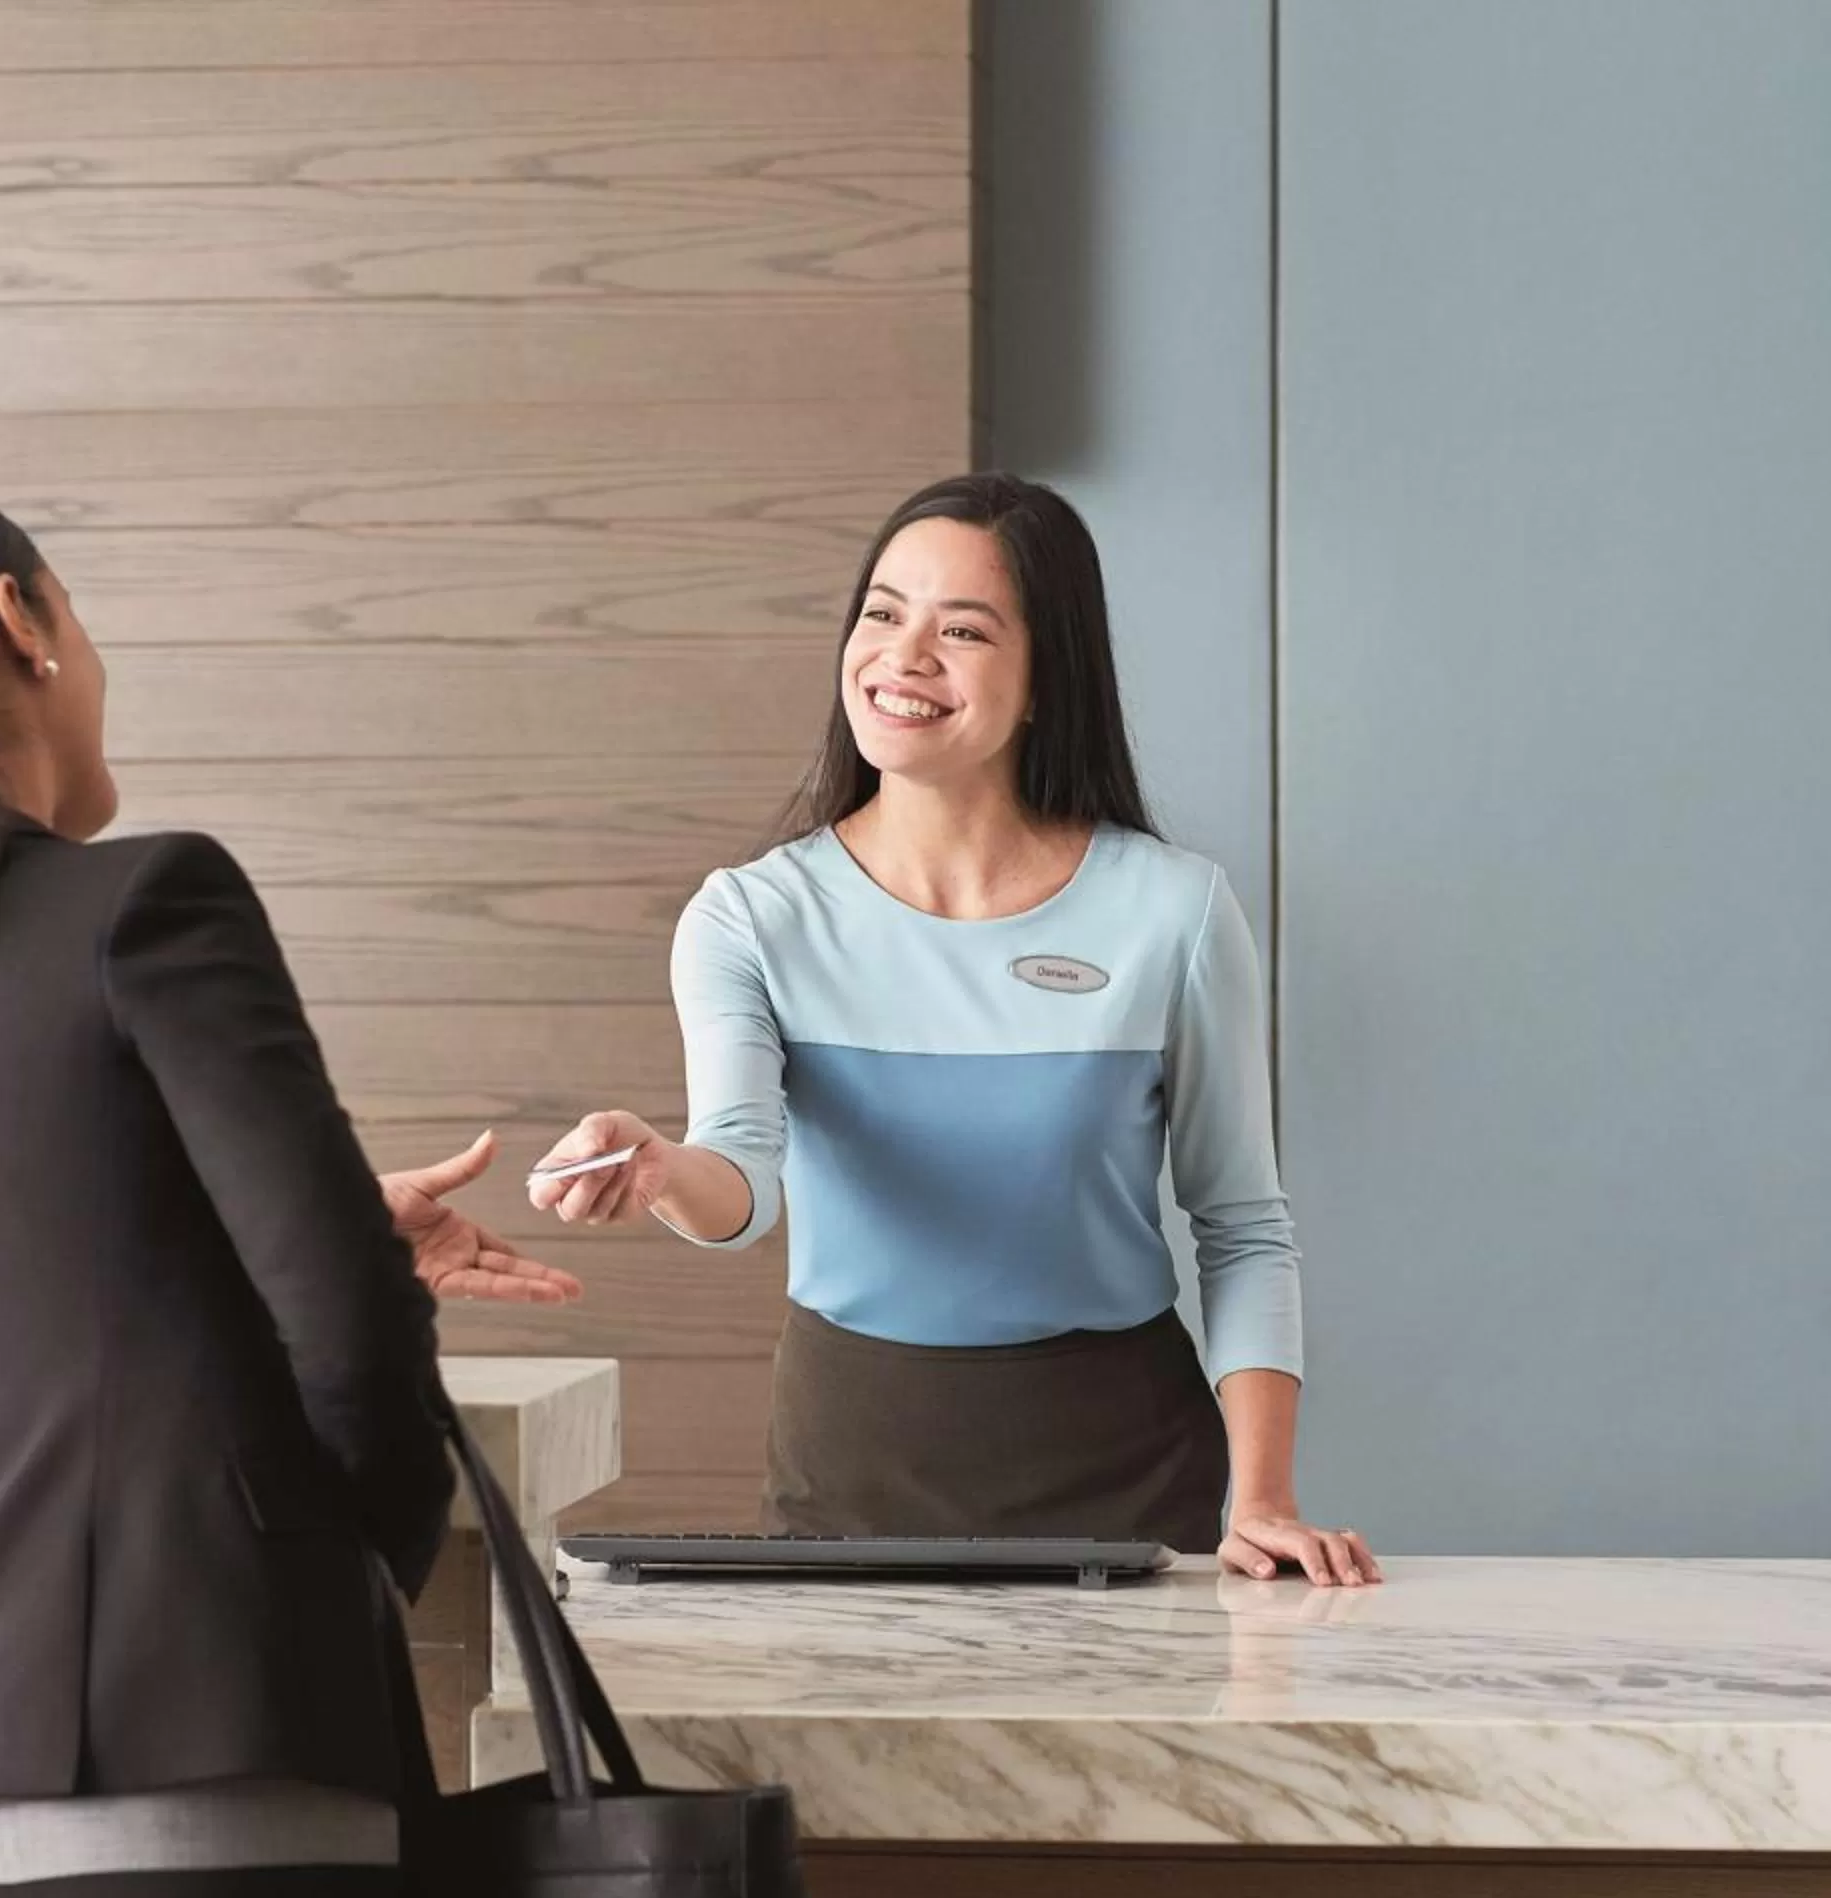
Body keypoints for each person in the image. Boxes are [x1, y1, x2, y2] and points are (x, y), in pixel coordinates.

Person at [0, 473, 577, 1898]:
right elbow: (349, 1333)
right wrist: (356, 1558)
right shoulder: (150, 901)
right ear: (22, 619)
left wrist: (300, 1237)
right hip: (213, 1774)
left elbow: (41, 1296)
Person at [530, 474, 1380, 1587]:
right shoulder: (751, 915)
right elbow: (741, 1184)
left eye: (963, 628)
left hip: (1123, 1457)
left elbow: (1243, 1224)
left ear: (1044, 678)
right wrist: (657, 1165)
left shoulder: (1174, 910)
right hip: (852, 1447)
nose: (903, 654)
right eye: (883, 612)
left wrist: (1263, 1495)